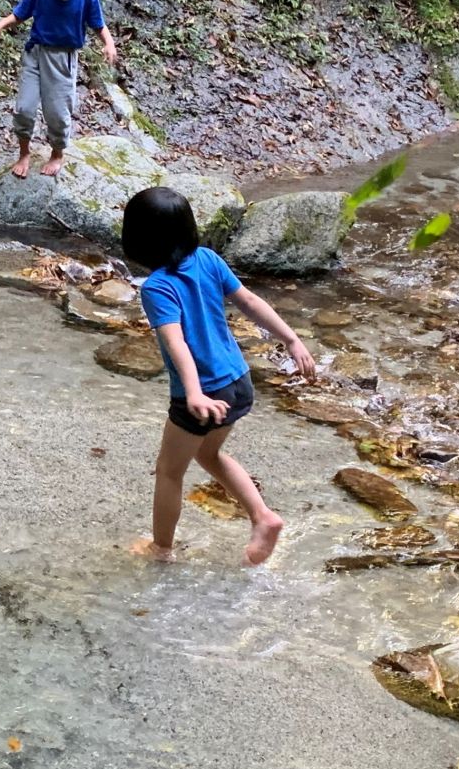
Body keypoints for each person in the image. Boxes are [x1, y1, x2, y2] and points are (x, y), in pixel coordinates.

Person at [120, 186, 317, 567]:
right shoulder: (208, 259)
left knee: (169, 471)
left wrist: (193, 393)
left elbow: (177, 344)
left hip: (204, 393)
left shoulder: (158, 286)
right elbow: (250, 302)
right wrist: (291, 339)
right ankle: (263, 517)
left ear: (138, 239)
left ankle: (161, 549)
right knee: (209, 453)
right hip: (239, 382)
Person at [0, 0, 119, 179]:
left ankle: (57, 153)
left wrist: (109, 43)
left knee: (57, 111)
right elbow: (19, 14)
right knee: (24, 107)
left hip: (63, 59)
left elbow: (98, 25)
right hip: (36, 53)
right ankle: (24, 152)